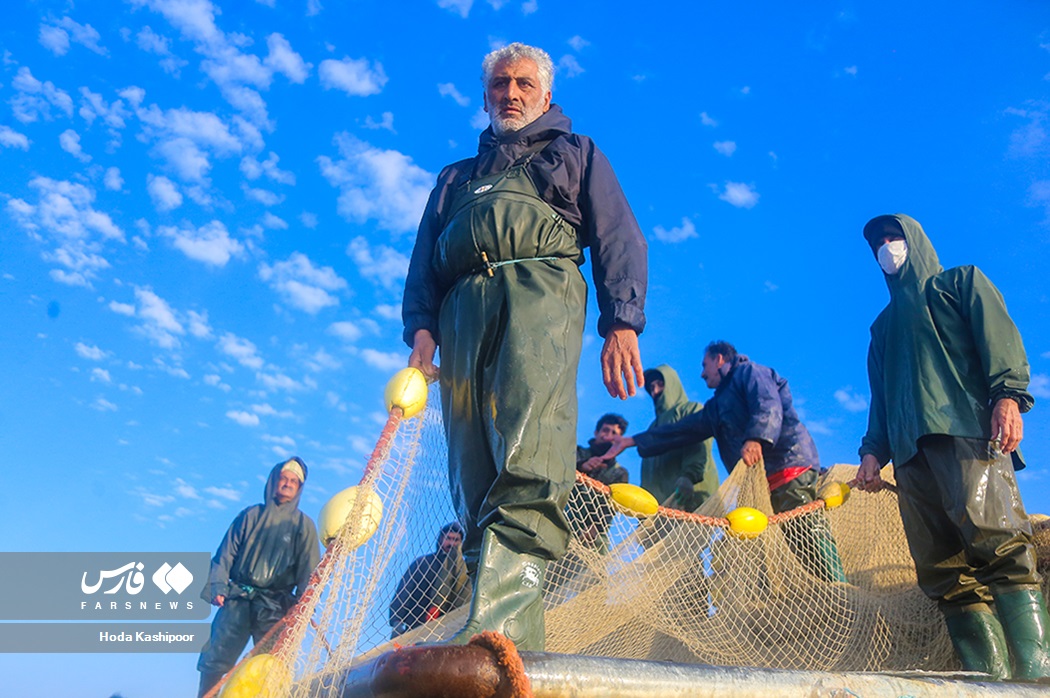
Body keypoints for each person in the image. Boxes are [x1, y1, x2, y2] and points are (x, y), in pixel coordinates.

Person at [402, 42, 647, 651]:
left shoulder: (576, 152)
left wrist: (622, 322)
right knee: (471, 466)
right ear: (485, 96)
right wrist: (422, 331)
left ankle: (506, 631)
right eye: (499, 85)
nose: (510, 94)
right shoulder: (455, 176)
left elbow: (618, 234)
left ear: (545, 94)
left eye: (522, 84)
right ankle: (488, 617)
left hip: (537, 293)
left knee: (528, 445)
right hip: (460, 310)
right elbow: (422, 263)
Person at [855, 213, 1049, 681]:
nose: (885, 246)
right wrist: (871, 452)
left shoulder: (959, 283)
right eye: (877, 242)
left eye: (893, 236)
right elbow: (881, 398)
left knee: (999, 541)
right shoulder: (881, 329)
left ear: (914, 240)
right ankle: (989, 678)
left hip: (965, 431)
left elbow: (998, 340)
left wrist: (1008, 396)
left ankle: (1038, 672)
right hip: (909, 456)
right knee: (941, 567)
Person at [605, 341, 847, 584]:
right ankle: (816, 591)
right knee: (783, 543)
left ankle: (837, 588)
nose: (701, 373)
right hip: (762, 483)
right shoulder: (717, 406)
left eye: (705, 365)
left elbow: (767, 403)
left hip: (789, 465)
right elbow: (682, 430)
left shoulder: (750, 373)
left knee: (805, 528)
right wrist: (632, 441)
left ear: (719, 359)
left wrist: (756, 438)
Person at [196, 458, 320, 697]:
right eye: (283, 478)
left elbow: (310, 572)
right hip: (238, 600)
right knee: (214, 660)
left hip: (276, 608)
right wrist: (217, 585)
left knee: (271, 667)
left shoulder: (305, 526)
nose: (287, 484)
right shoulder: (250, 515)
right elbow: (225, 553)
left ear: (300, 488)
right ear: (273, 481)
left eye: (294, 481)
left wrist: (303, 607)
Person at [641, 364, 718, 512]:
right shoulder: (651, 428)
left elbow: (698, 444)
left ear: (672, 384)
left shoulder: (691, 409)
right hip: (659, 511)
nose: (655, 391)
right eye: (651, 387)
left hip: (692, 498)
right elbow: (647, 474)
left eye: (660, 385)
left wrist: (688, 476)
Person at [389, 522, 471, 637]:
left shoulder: (465, 569)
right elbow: (404, 590)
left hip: (448, 629)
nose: (452, 543)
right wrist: (396, 621)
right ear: (441, 539)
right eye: (448, 538)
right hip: (417, 625)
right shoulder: (423, 563)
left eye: (456, 540)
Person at [576, 413, 630, 486]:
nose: (609, 435)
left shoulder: (620, 473)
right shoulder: (577, 452)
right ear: (596, 433)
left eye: (614, 433)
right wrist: (581, 466)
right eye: (605, 430)